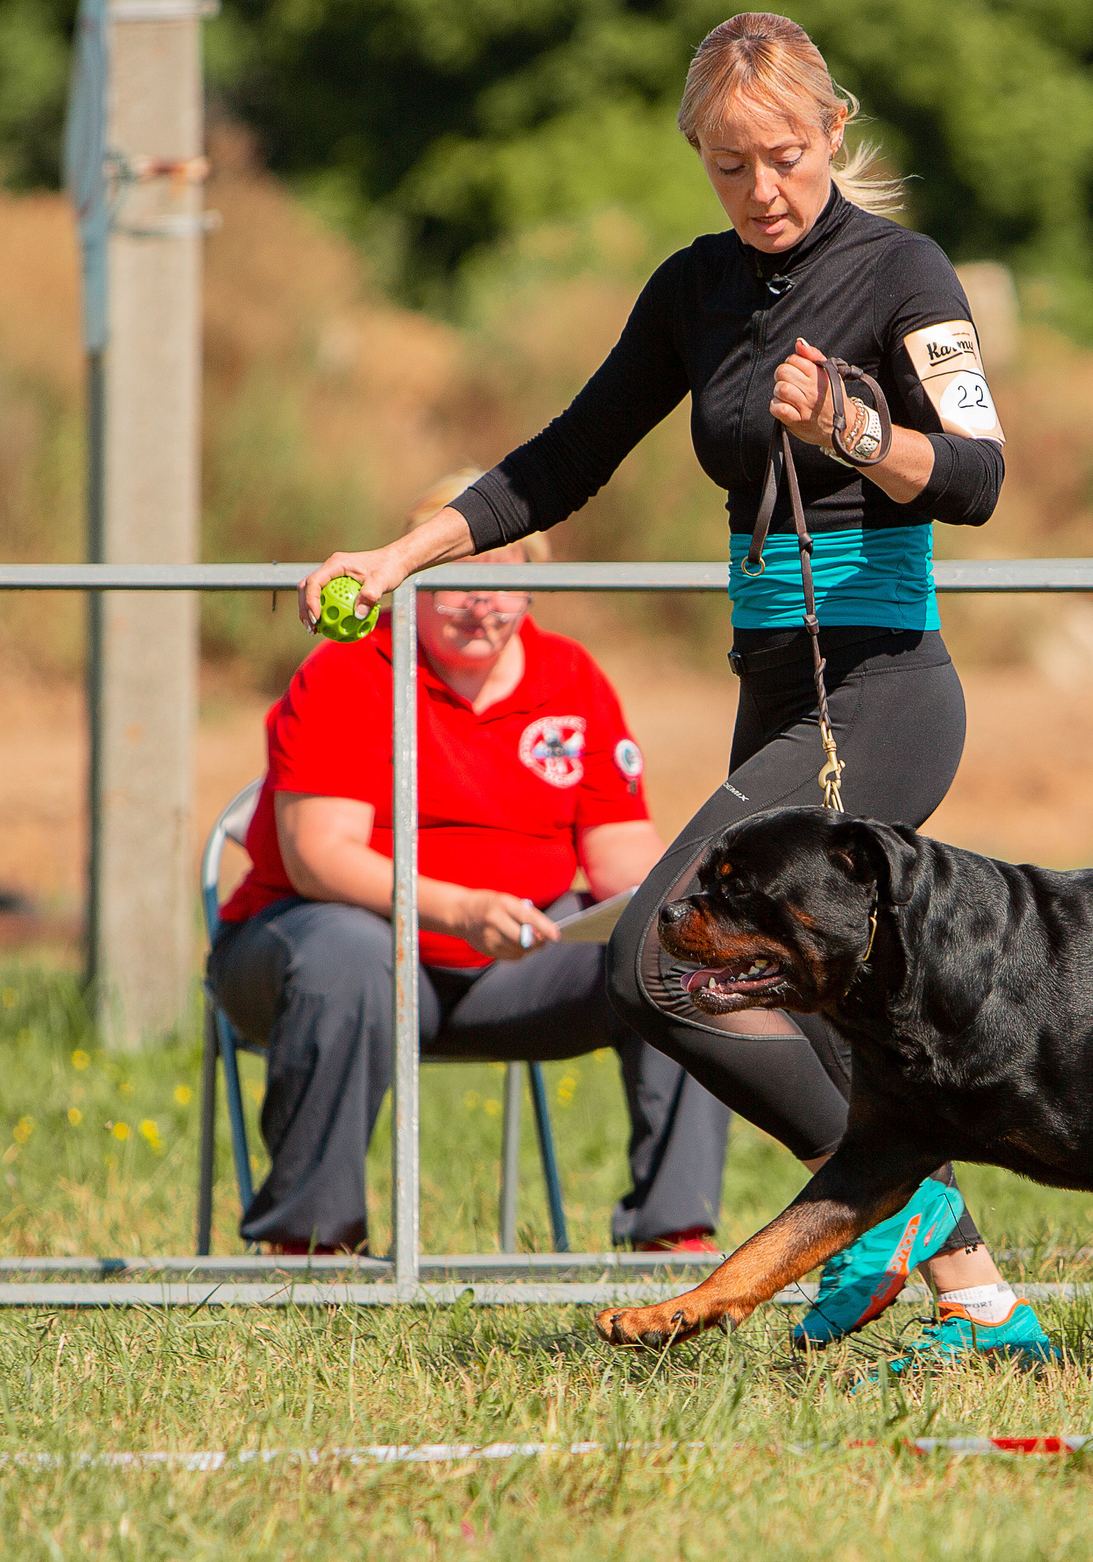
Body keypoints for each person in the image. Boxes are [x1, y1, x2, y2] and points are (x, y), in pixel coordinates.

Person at [299, 13, 1050, 1372]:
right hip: (772, 691)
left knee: (663, 958)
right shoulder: (696, 287)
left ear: (834, 130)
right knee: (806, 998)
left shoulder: (905, 271)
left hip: (879, 686)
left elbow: (981, 476)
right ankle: (981, 1304)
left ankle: (897, 1214)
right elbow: (564, 457)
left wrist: (861, 434)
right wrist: (403, 552)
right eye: (727, 166)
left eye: (782, 157)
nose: (761, 192)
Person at [213, 473, 730, 1255]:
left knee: (680, 949)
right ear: (410, 578)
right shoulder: (347, 673)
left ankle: (674, 1246)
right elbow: (319, 858)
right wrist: (459, 910)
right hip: (329, 954)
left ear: (533, 588)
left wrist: (691, 897)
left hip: (520, 963)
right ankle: (311, 1251)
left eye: (504, 583)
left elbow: (620, 847)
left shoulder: (573, 680)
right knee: (349, 955)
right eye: (456, 583)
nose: (481, 604)